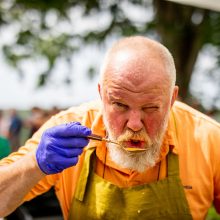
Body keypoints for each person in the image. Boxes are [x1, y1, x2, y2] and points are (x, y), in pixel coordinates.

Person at [0, 36, 220, 220]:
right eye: (120, 105)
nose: (134, 123)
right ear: (102, 95)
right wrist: (34, 163)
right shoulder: (70, 127)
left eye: (150, 108)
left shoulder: (208, 139)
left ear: (172, 99)